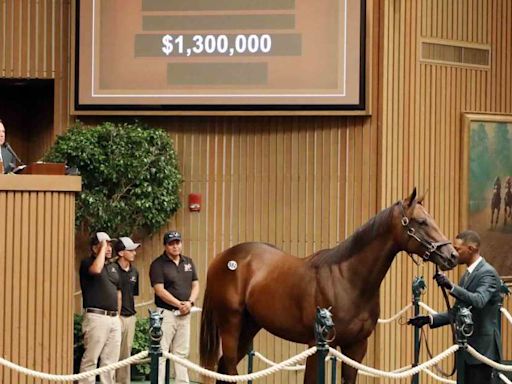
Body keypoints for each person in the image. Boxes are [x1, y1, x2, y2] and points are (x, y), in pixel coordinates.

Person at [408, 230, 501, 384]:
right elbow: (457, 312)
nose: (454, 253)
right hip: (466, 351)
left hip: (482, 352)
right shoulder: (467, 275)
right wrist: (429, 319)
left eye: (458, 249)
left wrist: (450, 286)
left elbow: (479, 300)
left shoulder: (488, 273)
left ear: (471, 249)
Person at [149, 231, 199, 384]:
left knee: (181, 353)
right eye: (171, 243)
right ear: (165, 246)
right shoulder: (158, 264)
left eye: (178, 242)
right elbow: (159, 290)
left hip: (185, 313)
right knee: (162, 353)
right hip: (166, 313)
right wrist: (179, 304)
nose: (175, 246)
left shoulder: (188, 262)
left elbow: (195, 284)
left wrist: (189, 303)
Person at [79, 232, 122, 384]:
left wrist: (118, 315)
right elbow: (96, 270)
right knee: (91, 358)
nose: (109, 248)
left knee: (110, 360)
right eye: (104, 244)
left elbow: (118, 292)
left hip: (113, 317)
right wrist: (102, 250)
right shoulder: (87, 263)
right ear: (94, 247)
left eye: (110, 244)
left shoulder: (113, 267)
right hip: (96, 316)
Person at [114, 236, 140, 384]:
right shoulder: (111, 269)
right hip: (115, 317)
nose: (134, 253)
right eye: (131, 250)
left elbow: (133, 295)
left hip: (130, 317)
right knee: (111, 354)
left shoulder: (135, 272)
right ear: (121, 253)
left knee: (126, 355)